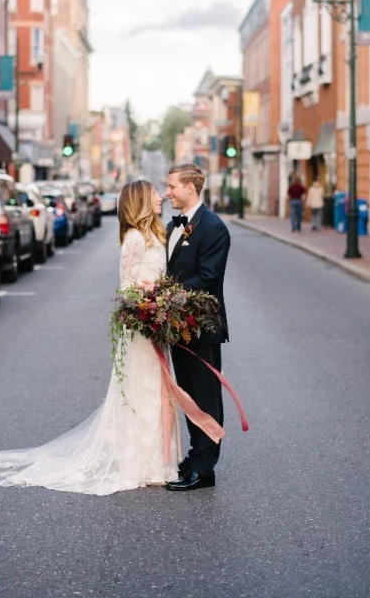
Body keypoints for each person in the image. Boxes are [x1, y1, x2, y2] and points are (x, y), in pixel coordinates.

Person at [0, 180, 178, 495]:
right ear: (141, 200)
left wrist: (165, 302)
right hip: (140, 329)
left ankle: (159, 462)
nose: (161, 197)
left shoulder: (155, 235)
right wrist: (149, 301)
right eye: (155, 194)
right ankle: (141, 464)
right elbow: (126, 290)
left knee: (157, 394)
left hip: (155, 326)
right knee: (141, 394)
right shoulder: (134, 239)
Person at [143, 163, 231, 492]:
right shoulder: (172, 225)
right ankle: (195, 456)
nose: (167, 192)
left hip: (202, 327)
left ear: (190, 189)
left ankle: (205, 468)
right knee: (189, 396)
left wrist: (166, 297)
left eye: (172, 186)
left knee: (206, 397)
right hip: (178, 327)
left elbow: (208, 278)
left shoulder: (213, 228)